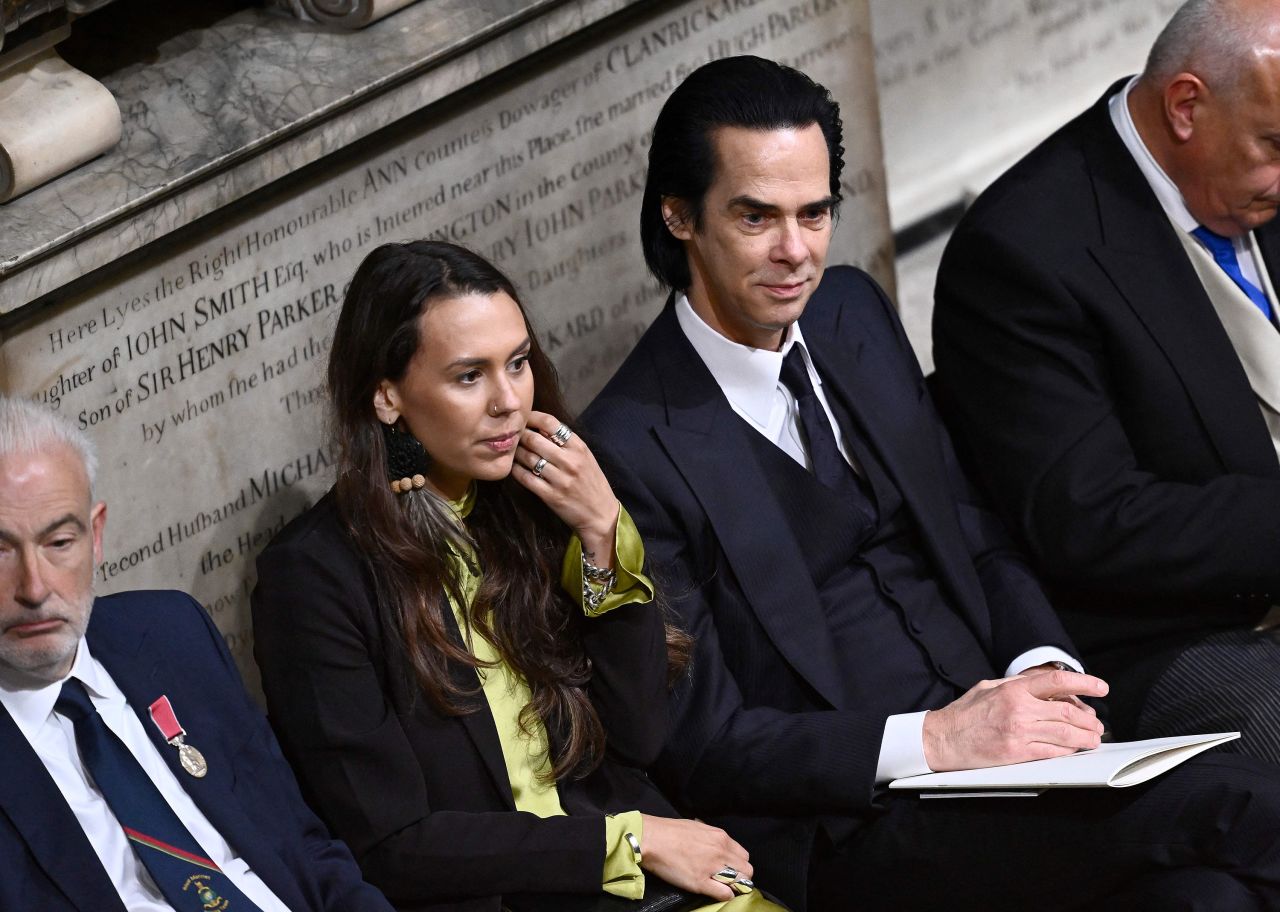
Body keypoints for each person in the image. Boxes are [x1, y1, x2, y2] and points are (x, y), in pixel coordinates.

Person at [581, 54, 1280, 912]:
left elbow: (973, 529)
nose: (794, 252)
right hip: (861, 820)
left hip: (1023, 754)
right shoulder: (627, 445)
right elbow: (705, 741)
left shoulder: (851, 314)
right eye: (756, 217)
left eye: (815, 213)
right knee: (1241, 804)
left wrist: (1043, 666)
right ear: (679, 216)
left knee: (1208, 898)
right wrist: (938, 739)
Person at [251, 241, 785, 912]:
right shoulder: (313, 578)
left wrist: (602, 535)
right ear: (387, 397)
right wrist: (626, 843)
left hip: (651, 883)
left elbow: (641, 736)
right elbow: (392, 845)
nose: (509, 400)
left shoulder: (536, 502)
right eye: (470, 376)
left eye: (519, 363)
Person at [932, 0, 1280, 751]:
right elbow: (1092, 520)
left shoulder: (1256, 176)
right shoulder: (1023, 251)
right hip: (1182, 635)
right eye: (1274, 143)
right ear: (1187, 107)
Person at [0, 394, 393, 912]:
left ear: (95, 535)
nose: (35, 587)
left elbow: (304, 847)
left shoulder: (169, 633)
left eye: (59, 543)